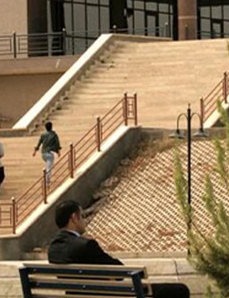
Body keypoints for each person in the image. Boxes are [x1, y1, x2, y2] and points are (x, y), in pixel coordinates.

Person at [48, 200, 190, 298]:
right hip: (107, 295)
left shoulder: (53, 249)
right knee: (179, 290)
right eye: (82, 216)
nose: (84, 221)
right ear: (74, 218)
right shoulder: (85, 245)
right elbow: (120, 272)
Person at [31, 121, 61, 185]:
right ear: (51, 127)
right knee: (49, 167)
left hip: (43, 154)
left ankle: (47, 179)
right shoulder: (54, 135)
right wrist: (58, 152)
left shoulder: (43, 135)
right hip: (49, 153)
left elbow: (39, 143)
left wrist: (35, 152)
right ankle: (47, 181)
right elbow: (57, 144)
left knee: (48, 165)